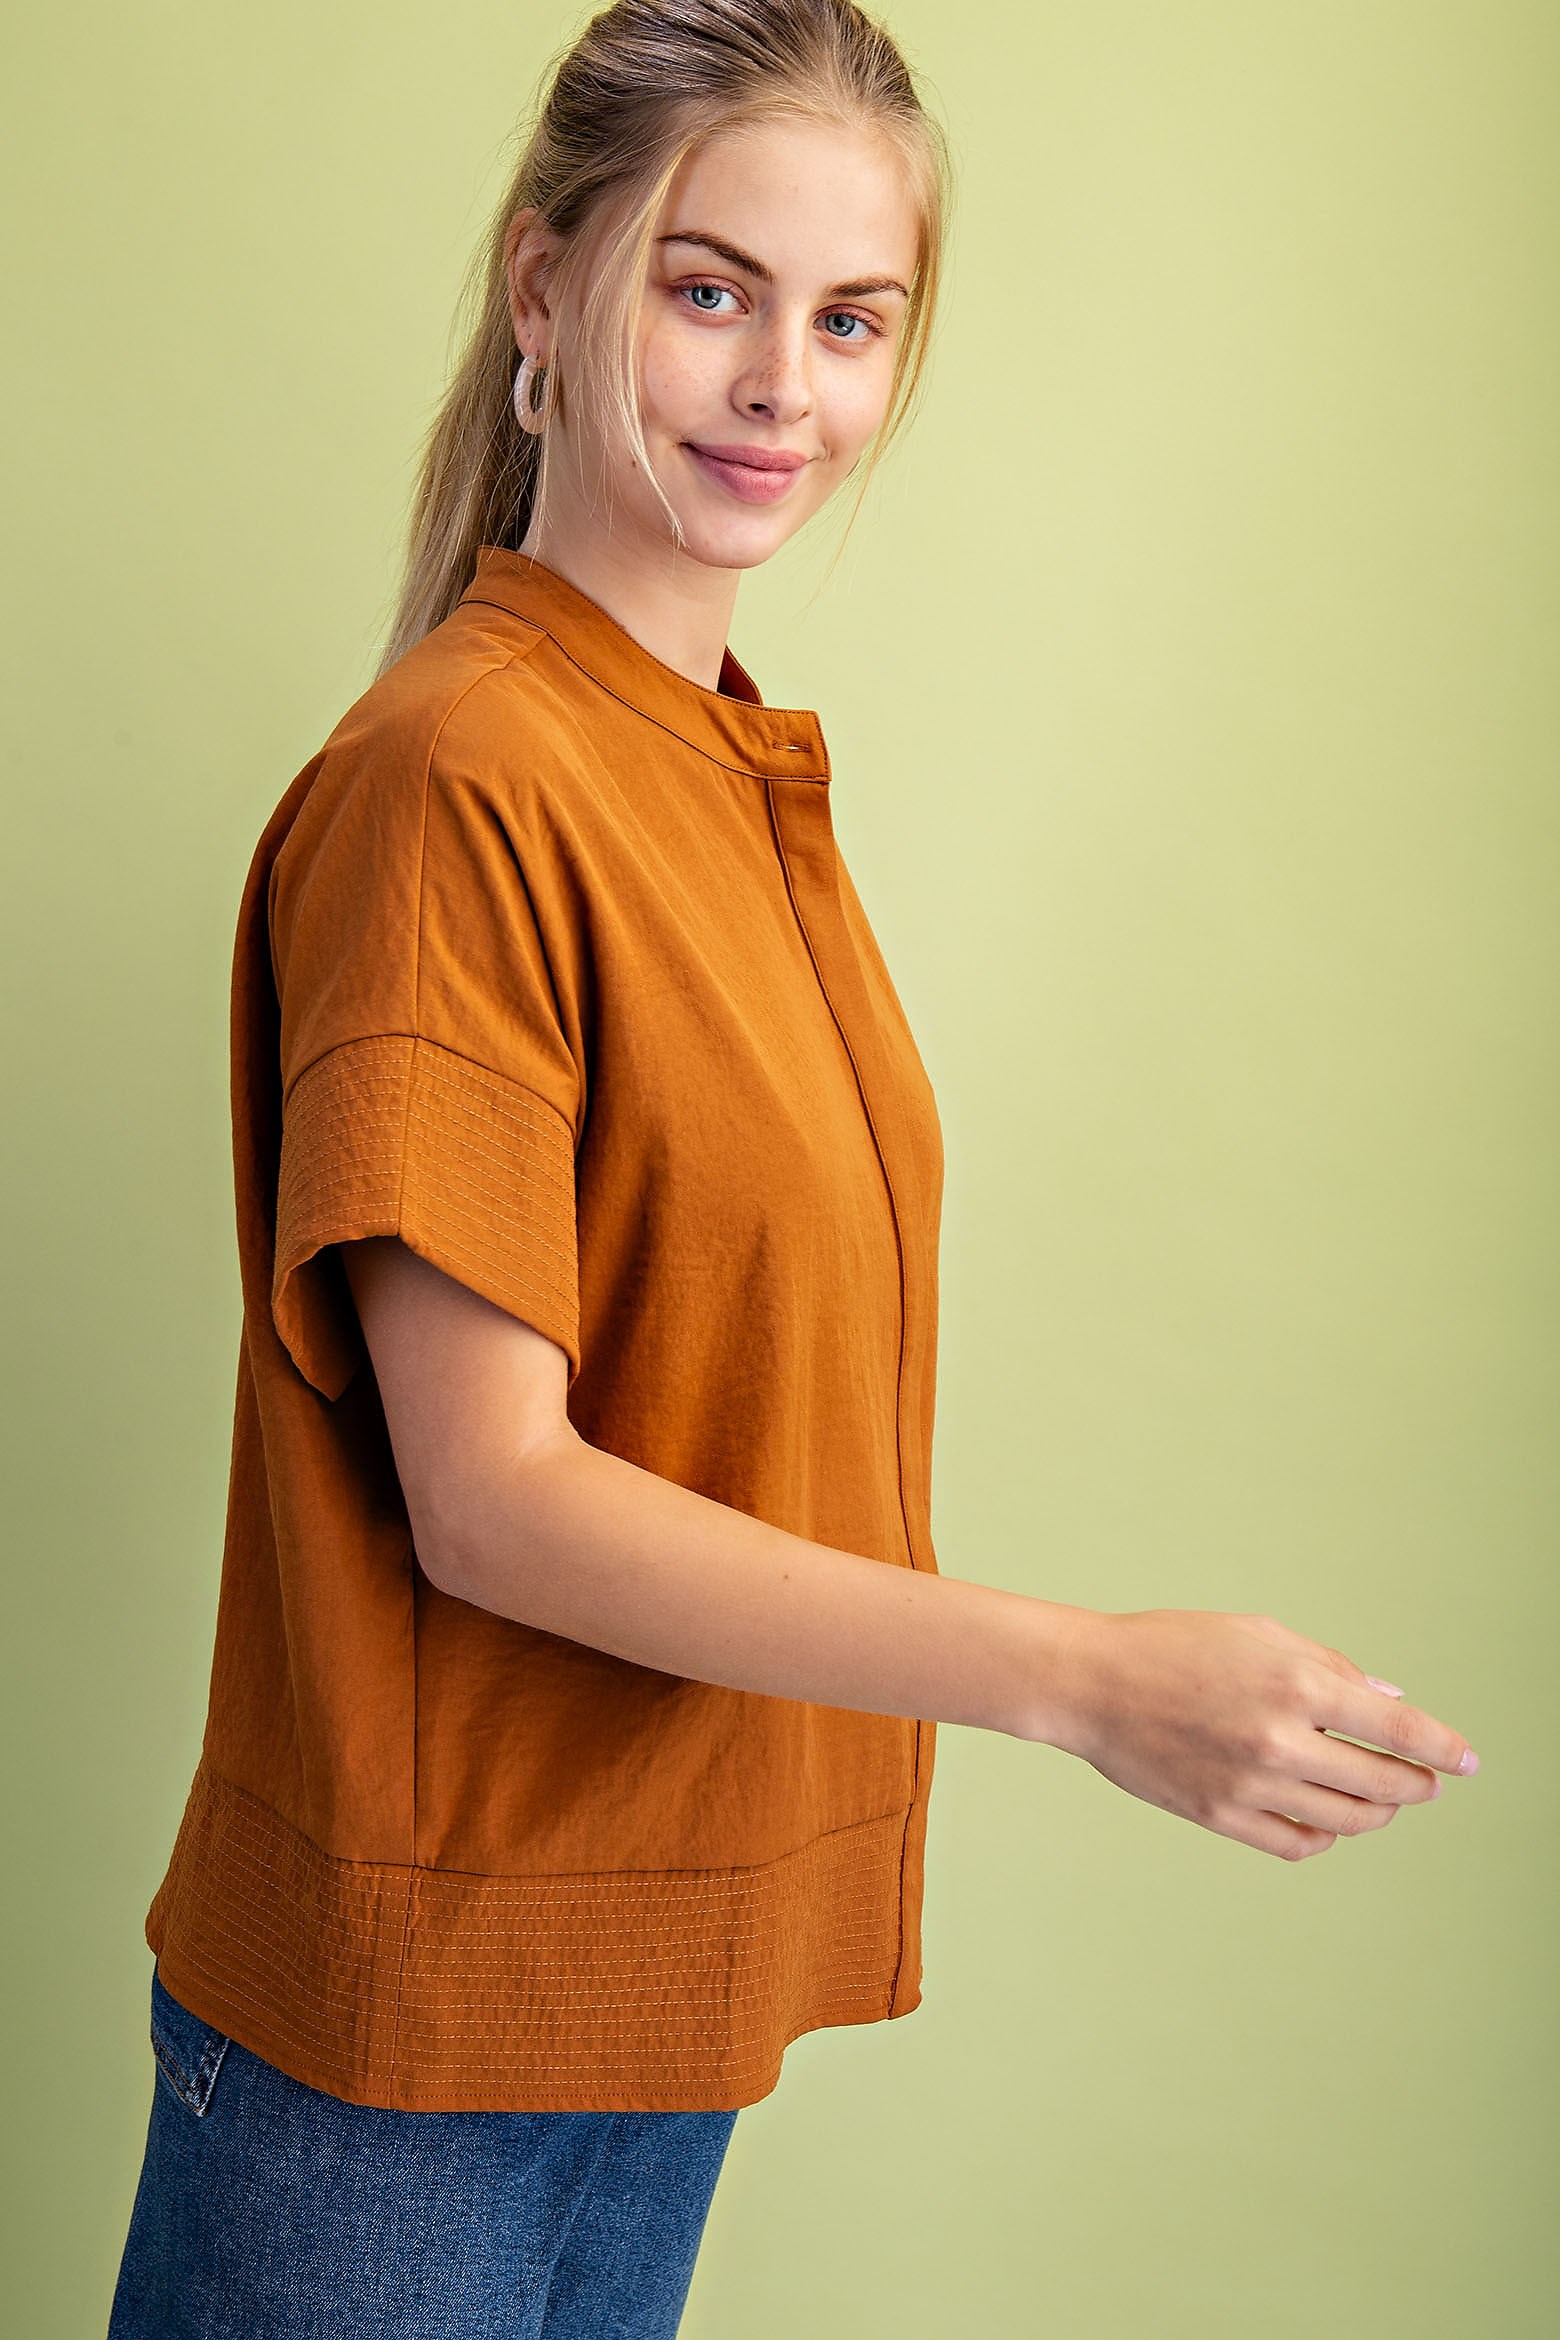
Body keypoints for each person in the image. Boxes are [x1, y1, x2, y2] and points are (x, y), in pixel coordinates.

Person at [107, 1, 1480, 2333]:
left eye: (852, 320)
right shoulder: (461, 779)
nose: (782, 387)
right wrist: (1085, 1682)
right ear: (546, 288)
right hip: (412, 2056)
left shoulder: (714, 774)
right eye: (710, 287)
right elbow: (493, 1498)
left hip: (642, 2000)